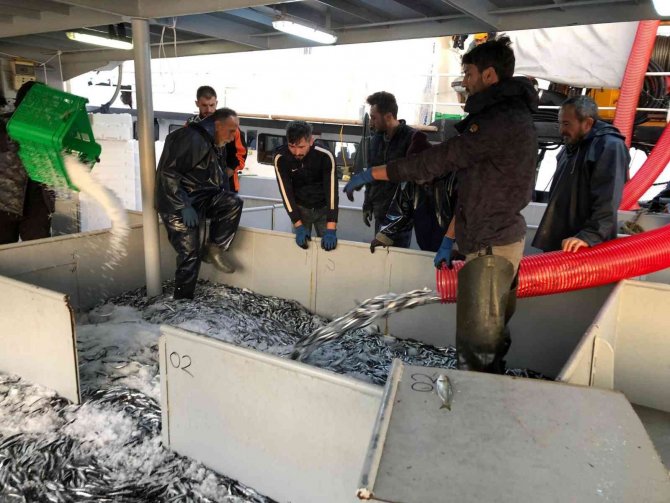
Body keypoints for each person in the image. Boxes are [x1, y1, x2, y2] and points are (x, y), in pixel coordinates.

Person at [344, 36, 538, 374]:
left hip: (491, 251)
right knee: (489, 340)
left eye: (469, 73)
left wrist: (374, 173)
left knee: (479, 348)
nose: (464, 81)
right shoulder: (508, 117)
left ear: (490, 76)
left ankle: (475, 415)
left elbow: (436, 161)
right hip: (493, 241)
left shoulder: (497, 122)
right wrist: (451, 239)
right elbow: (475, 190)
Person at [156, 107, 244, 300]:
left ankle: (214, 248)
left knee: (233, 203)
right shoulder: (191, 138)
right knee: (190, 254)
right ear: (217, 125)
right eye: (231, 131)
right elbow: (168, 174)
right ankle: (182, 300)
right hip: (178, 203)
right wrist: (183, 205)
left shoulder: (211, 141)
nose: (233, 136)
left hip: (202, 198)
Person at [532, 96, 629, 253]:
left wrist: (589, 236)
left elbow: (608, 199)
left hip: (584, 246)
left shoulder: (609, 146)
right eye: (560, 123)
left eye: (566, 124)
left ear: (588, 123)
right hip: (562, 243)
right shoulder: (571, 145)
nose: (561, 130)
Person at [362, 91, 425, 248]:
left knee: (397, 265)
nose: (371, 123)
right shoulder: (375, 140)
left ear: (388, 116)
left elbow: (411, 185)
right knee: (380, 262)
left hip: (401, 220)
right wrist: (367, 203)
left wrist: (394, 223)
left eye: (374, 117)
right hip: (380, 212)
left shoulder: (413, 139)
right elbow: (370, 173)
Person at [0, 81, 55, 244]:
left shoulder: (50, 131)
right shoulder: (3, 125)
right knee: (3, 254)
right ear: (20, 104)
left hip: (38, 201)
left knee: (39, 250)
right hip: (4, 203)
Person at [273, 120, 338, 251]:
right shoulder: (281, 158)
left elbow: (331, 192)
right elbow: (286, 193)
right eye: (292, 146)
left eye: (301, 147)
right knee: (300, 249)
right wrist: (298, 224)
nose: (296, 152)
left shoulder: (325, 156)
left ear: (311, 141)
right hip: (300, 209)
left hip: (323, 209)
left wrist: (331, 228)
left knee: (329, 249)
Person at [187, 86, 247, 193]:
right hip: (197, 187)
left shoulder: (230, 124)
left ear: (217, 103)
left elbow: (240, 155)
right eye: (204, 105)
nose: (209, 110)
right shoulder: (190, 125)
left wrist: (222, 177)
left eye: (212, 105)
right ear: (197, 103)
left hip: (226, 186)